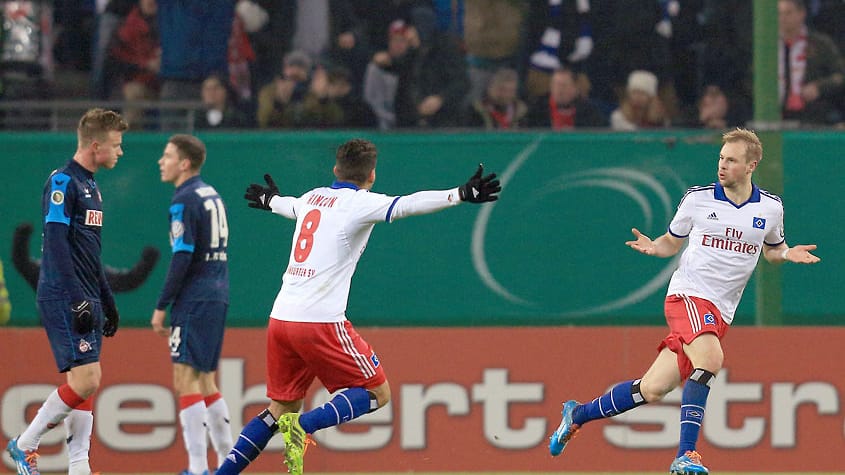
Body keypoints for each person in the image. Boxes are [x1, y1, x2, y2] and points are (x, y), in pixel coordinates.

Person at [215, 138, 501, 475]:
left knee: (279, 408)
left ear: (335, 169)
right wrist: (459, 194)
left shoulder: (312, 198)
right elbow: (408, 204)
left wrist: (269, 199)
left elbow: (288, 205)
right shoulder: (360, 204)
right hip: (319, 321)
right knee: (376, 392)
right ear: (372, 176)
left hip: (280, 319)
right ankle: (303, 427)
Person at [548, 128, 821, 475]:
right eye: (721, 157)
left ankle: (577, 414)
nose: (722, 165)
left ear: (751, 165)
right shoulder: (698, 199)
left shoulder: (770, 208)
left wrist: (787, 254)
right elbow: (670, 243)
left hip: (720, 312)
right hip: (688, 296)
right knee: (710, 359)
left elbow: (772, 250)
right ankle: (686, 454)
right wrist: (654, 247)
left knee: (652, 388)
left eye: (731, 160)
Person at [6, 108, 128, 475]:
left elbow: (91, 254)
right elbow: (56, 245)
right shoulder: (63, 183)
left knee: (82, 384)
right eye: (116, 145)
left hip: (86, 292)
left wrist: (107, 299)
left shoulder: (92, 186)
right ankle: (25, 444)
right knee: (89, 379)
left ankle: (79, 466)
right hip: (63, 293)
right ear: (95, 146)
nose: (120, 152)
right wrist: (76, 297)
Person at [150, 134, 234, 475]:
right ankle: (229, 462)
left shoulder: (183, 200)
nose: (161, 161)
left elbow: (182, 254)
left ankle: (197, 469)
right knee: (204, 380)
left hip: (194, 296)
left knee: (186, 379)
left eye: (167, 155)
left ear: (184, 163)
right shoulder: (211, 193)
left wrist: (161, 304)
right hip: (217, 291)